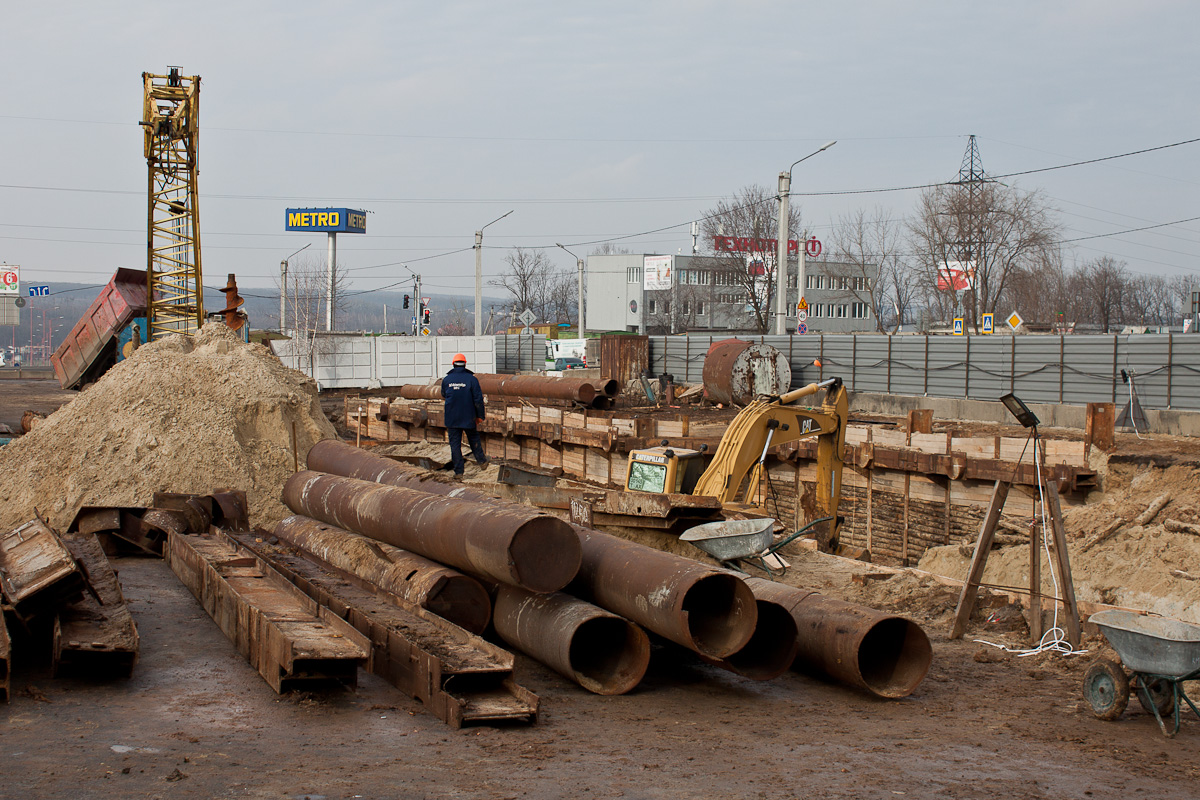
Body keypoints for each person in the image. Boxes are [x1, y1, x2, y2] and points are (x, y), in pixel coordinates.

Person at [441, 353, 488, 479]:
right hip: (469, 416)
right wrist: (480, 416)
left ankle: (459, 473)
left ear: (453, 364)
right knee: (473, 439)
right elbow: (478, 399)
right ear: (465, 364)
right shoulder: (472, 380)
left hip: (452, 418)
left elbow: (444, 394)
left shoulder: (446, 380)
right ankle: (482, 462)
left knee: (455, 445)